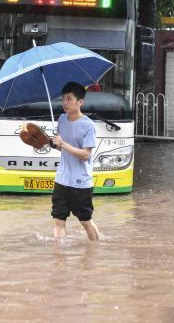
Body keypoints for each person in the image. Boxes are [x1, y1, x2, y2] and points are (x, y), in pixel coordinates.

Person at [51, 82, 100, 241]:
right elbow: (61, 148)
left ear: (80, 102)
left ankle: (94, 251)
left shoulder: (88, 125)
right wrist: (48, 142)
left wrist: (63, 143)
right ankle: (59, 258)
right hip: (61, 179)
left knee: (85, 221)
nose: (64, 103)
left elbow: (85, 155)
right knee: (58, 220)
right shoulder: (61, 120)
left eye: (69, 99)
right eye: (63, 99)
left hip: (81, 183)